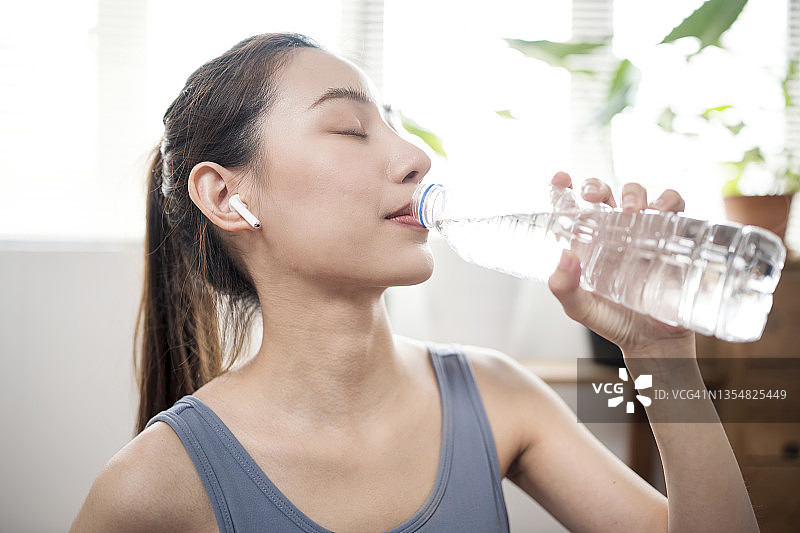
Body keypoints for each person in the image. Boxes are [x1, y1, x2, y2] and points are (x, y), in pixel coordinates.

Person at [70, 33, 759, 532]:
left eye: (396, 127)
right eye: (348, 127)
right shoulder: (152, 487)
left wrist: (662, 360)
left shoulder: (497, 397)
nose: (414, 156)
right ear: (227, 197)